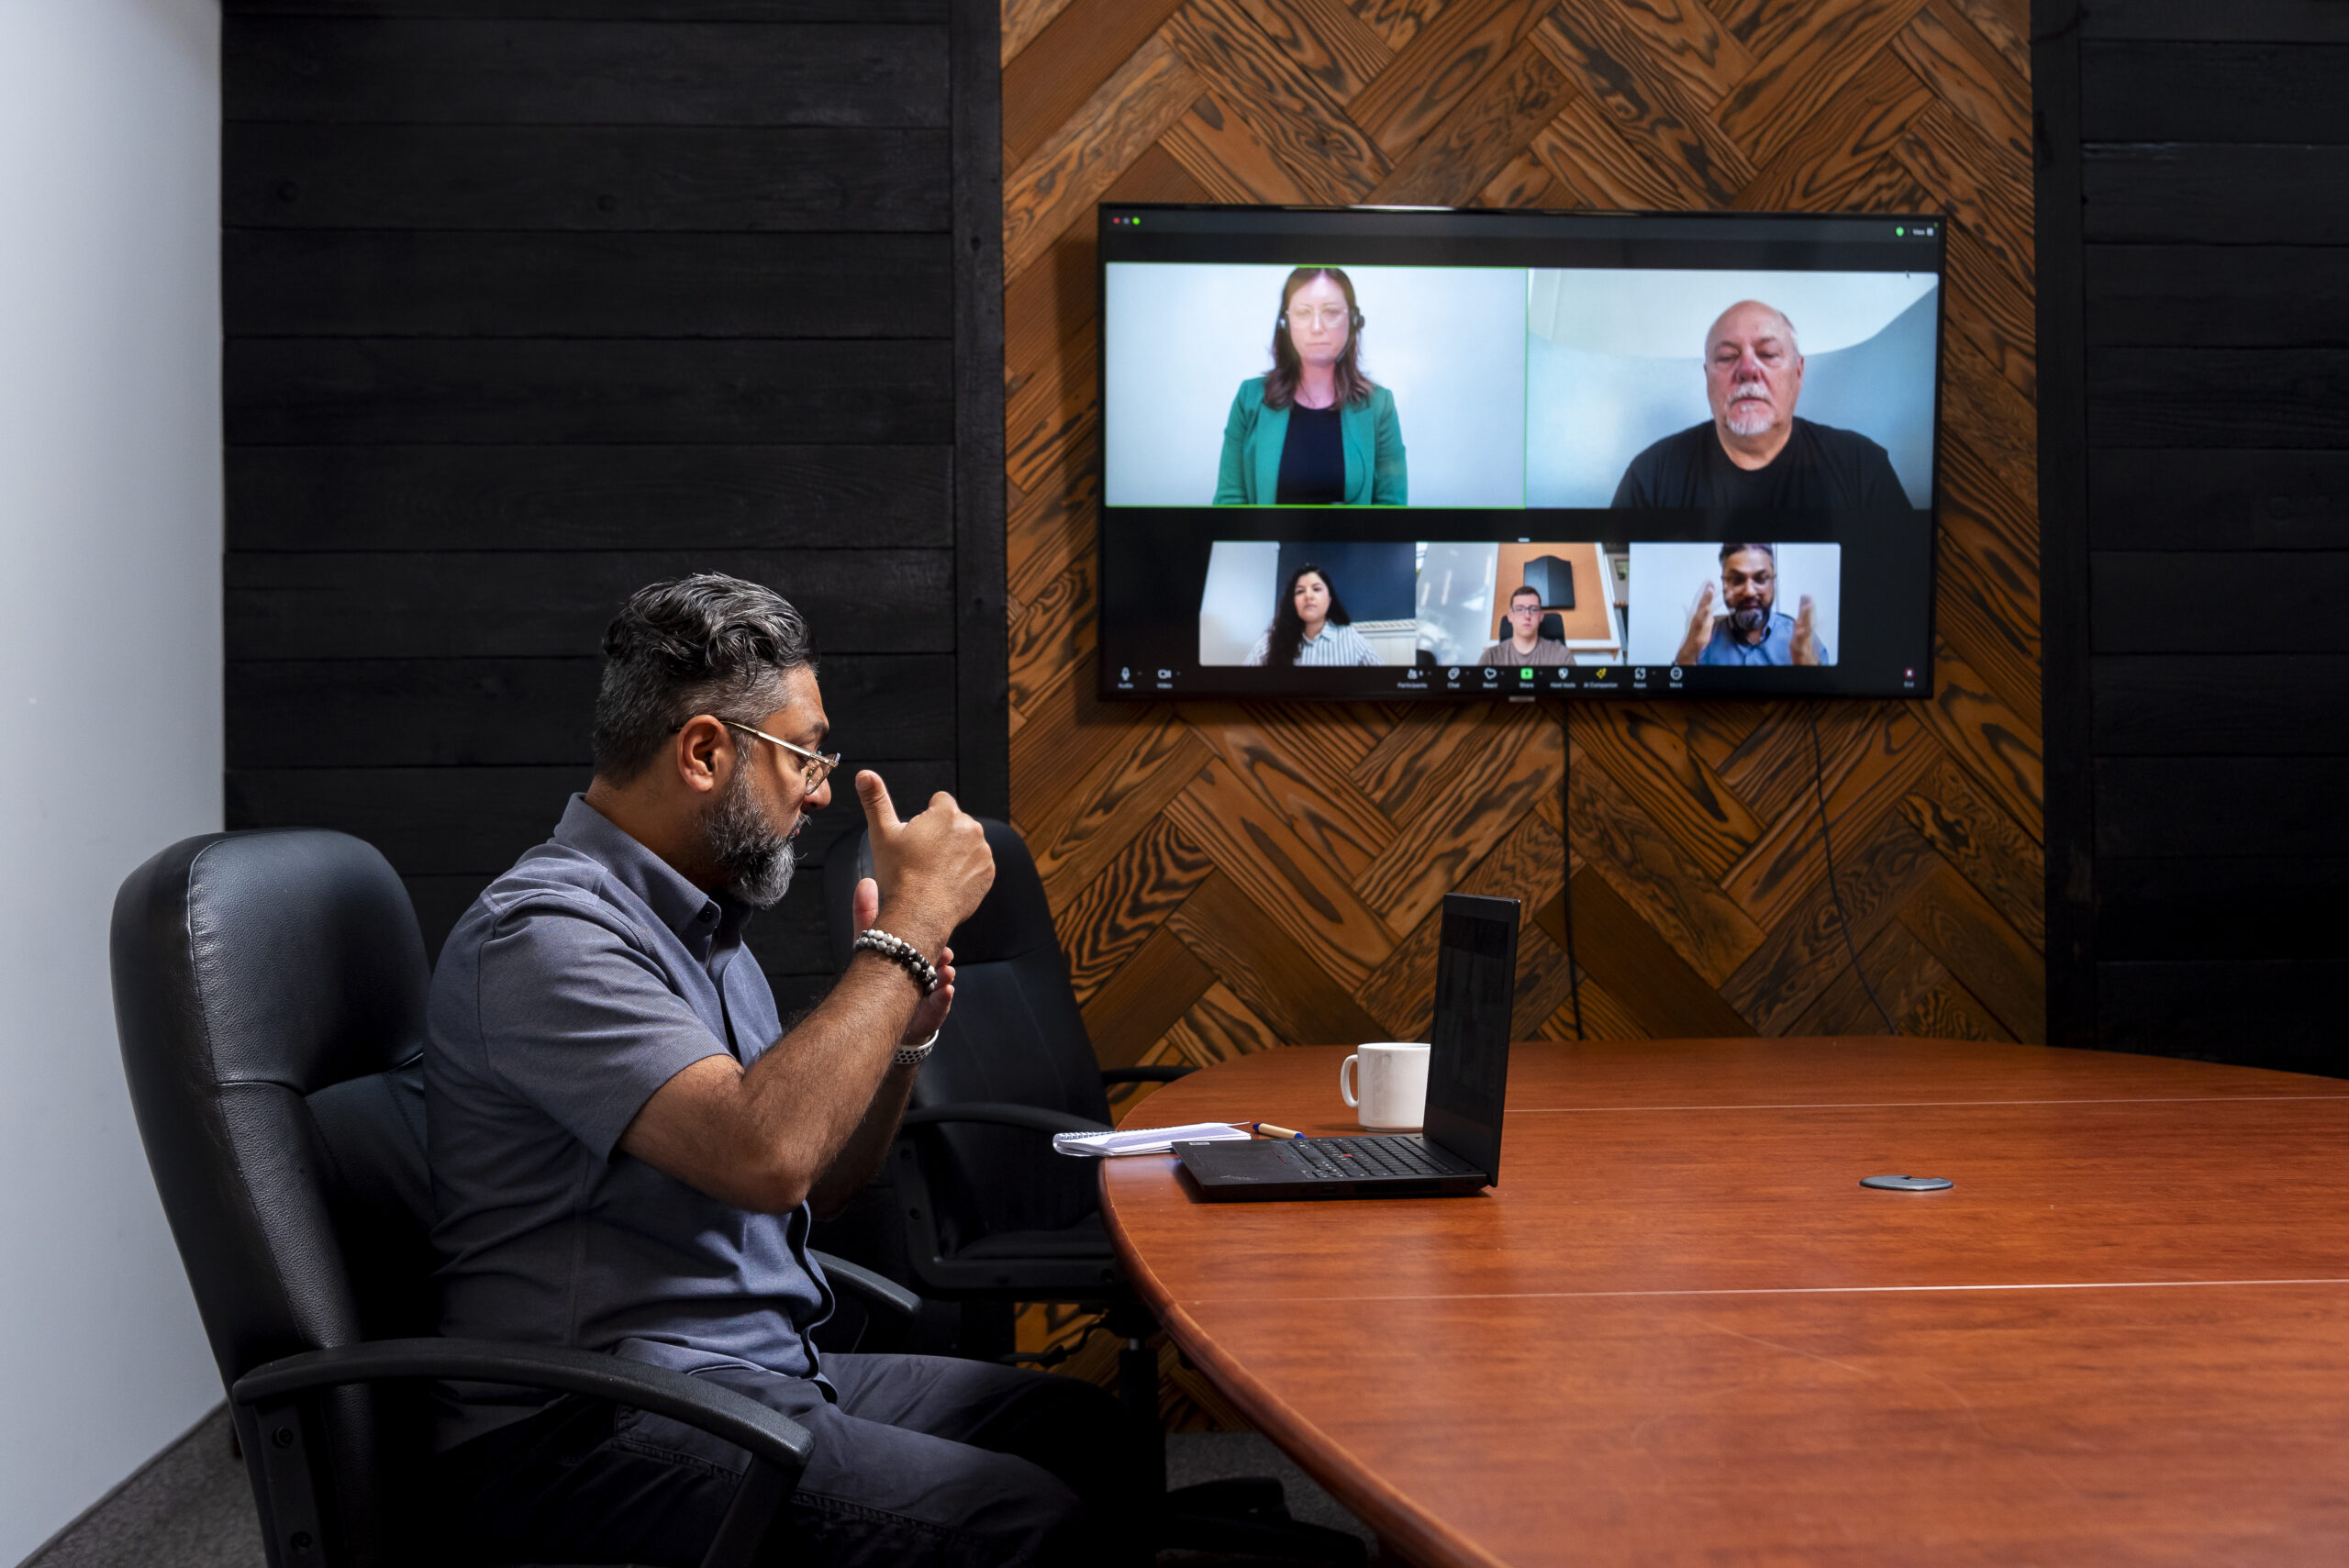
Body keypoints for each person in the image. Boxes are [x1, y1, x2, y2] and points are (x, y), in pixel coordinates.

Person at [426, 573, 1157, 1566]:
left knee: (1080, 1434)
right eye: (804, 753)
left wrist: (906, 1035)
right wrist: (906, 929)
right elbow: (764, 1153)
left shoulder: (704, 922)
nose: (819, 787)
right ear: (702, 751)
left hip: (751, 1374)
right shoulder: (546, 934)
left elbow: (816, 1173)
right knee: (1017, 1522)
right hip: (582, 1432)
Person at [1611, 300, 1909, 510]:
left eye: (1767, 353)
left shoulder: (1862, 466)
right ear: (1707, 378)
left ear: (1798, 373)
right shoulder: (1651, 477)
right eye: (1727, 357)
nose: (1748, 369)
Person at [1214, 266, 1408, 506]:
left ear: (1354, 321)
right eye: (1303, 313)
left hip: (1351, 545)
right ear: (1285, 323)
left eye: (1331, 312)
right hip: (1271, 545)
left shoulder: (1379, 405)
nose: (1317, 327)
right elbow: (1229, 504)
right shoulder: (1249, 399)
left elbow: (1393, 510)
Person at [1672, 543, 1829, 667]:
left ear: (1773, 581)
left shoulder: (1804, 642)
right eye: (1737, 580)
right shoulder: (1701, 638)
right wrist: (1688, 652)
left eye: (1760, 579)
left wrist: (1810, 673)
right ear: (1724, 582)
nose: (1749, 592)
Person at [1244, 562, 1384, 667]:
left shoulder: (1351, 639)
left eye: (1316, 589)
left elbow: (1384, 679)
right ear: (1294, 602)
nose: (1308, 596)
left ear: (1329, 599)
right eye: (1300, 592)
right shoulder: (1270, 641)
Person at [1477, 584, 1575, 667]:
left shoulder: (1561, 655)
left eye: (1533, 609)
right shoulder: (1490, 658)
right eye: (1520, 609)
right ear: (1510, 616)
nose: (1527, 616)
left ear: (1541, 616)